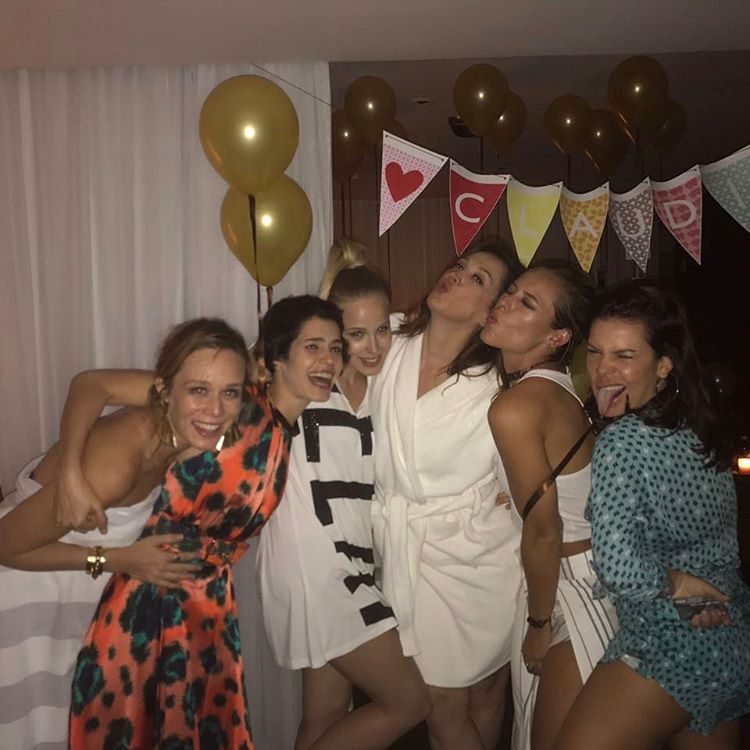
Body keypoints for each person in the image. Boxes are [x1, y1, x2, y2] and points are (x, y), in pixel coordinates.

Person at [58, 296, 345, 749]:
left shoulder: (280, 433)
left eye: (335, 348)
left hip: (208, 604)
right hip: (151, 596)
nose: (328, 360)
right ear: (275, 357)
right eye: (313, 347)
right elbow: (93, 385)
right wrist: (71, 472)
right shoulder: (230, 406)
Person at [0, 317, 248, 749]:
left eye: (230, 392)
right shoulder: (114, 467)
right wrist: (120, 559)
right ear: (164, 390)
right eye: (199, 391)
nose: (214, 410)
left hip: (73, 594)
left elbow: (91, 384)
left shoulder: (183, 423)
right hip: (22, 597)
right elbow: (5, 544)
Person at [554, 283, 750, 750]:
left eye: (624, 356)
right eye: (595, 352)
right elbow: (720, 548)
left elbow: (620, 568)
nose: (602, 370)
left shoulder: (621, 441)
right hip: (729, 636)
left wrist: (675, 583)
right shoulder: (700, 427)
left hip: (669, 645)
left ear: (664, 365)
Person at [258, 239, 429, 750]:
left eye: (381, 330)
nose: (372, 346)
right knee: (410, 703)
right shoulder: (306, 388)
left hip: (355, 563)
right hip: (316, 567)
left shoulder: (382, 392)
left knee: (326, 715)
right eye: (355, 334)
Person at [370, 237, 525, 750]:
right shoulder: (387, 340)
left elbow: (522, 466)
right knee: (442, 705)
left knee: (479, 696)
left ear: (490, 312)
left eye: (478, 278)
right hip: (407, 549)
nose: (457, 274)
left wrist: (514, 490)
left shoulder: (497, 387)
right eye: (460, 264)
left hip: (477, 559)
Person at [479, 260, 617, 750]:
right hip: (586, 574)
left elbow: (544, 532)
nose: (504, 302)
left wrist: (538, 626)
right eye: (512, 291)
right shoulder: (555, 390)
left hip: (574, 586)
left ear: (557, 337)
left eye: (526, 303)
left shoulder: (516, 406)